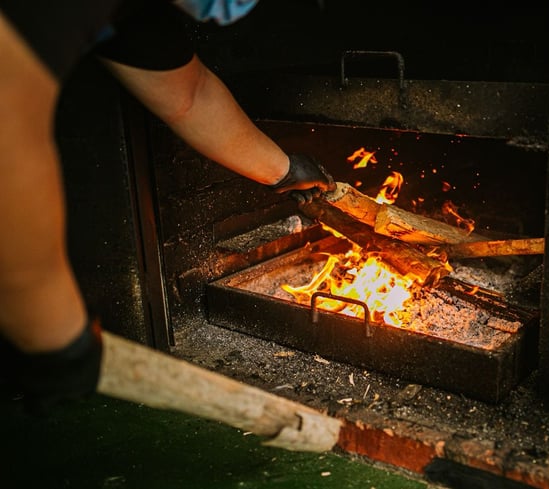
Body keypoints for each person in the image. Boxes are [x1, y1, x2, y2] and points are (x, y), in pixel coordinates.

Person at [0, 0, 336, 412]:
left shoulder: (135, 10)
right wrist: (52, 332)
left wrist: (282, 170)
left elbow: (189, 96)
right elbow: (8, 140)